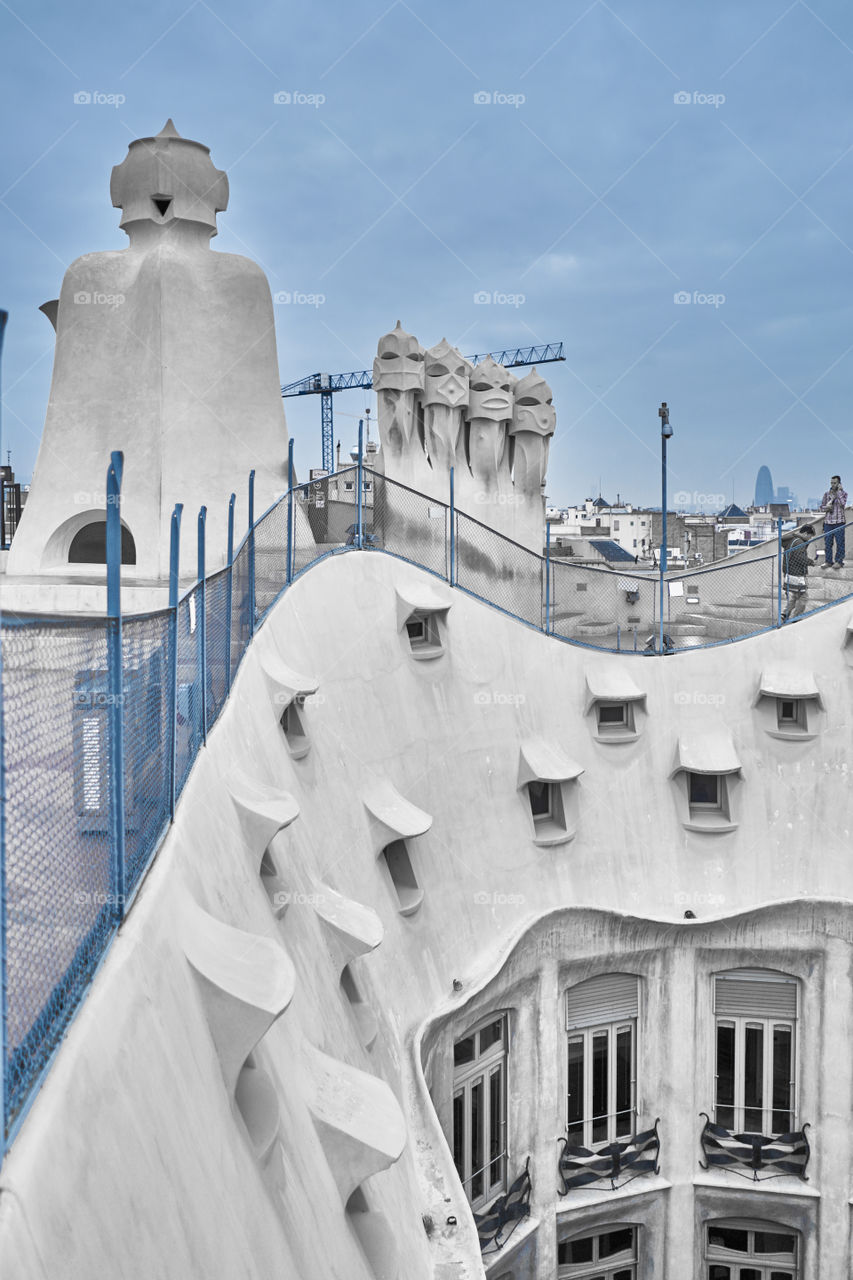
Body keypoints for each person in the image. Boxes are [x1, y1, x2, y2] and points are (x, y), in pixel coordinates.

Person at [781, 524, 815, 622]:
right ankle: (796, 617)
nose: (810, 538)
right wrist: (811, 562)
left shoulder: (793, 540)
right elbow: (800, 558)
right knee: (803, 597)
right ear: (805, 533)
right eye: (810, 536)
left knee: (796, 595)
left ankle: (784, 614)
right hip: (797, 574)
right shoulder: (799, 542)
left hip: (789, 572)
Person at [820, 474, 847, 568]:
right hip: (828, 522)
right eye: (831, 483)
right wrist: (826, 508)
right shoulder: (826, 494)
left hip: (839, 522)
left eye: (835, 483)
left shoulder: (843, 493)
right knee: (828, 543)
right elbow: (821, 507)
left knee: (840, 543)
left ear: (839, 483)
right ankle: (828, 561)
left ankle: (839, 561)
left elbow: (843, 504)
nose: (832, 484)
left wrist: (839, 492)